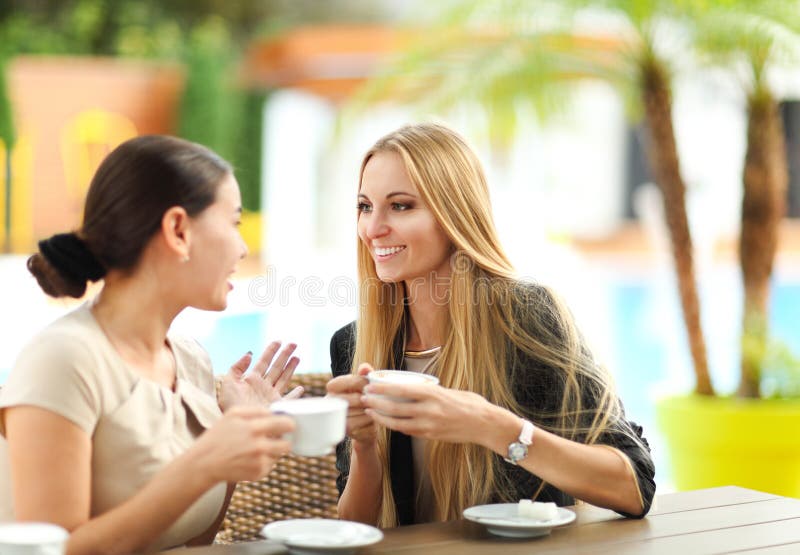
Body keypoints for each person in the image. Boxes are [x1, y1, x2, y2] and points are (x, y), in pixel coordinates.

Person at [326, 123, 656, 528]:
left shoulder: (527, 319)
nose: (373, 229)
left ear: (454, 215)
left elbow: (634, 486)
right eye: (364, 206)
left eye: (400, 206)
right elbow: (353, 528)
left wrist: (492, 427)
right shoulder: (354, 345)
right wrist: (364, 447)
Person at [0, 135, 302, 553]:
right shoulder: (63, 360)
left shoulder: (189, 359)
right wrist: (205, 463)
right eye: (233, 222)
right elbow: (52, 551)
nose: (243, 246)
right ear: (178, 230)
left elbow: (193, 539)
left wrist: (234, 434)